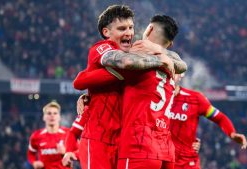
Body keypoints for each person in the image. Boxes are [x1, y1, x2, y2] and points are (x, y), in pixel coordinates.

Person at [63, 5, 187, 169]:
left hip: (122, 141)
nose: (129, 32)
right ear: (107, 32)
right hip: (99, 139)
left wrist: (159, 51)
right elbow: (81, 81)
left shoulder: (136, 54)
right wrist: (162, 59)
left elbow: (181, 64)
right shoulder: (102, 48)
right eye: (122, 28)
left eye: (131, 27)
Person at [169, 74, 247, 169]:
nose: (169, 75)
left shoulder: (195, 98)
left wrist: (232, 134)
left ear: (180, 75)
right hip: (160, 160)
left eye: (173, 71)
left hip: (186, 163)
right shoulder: (153, 97)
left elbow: (219, 117)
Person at [27, 101, 71, 169]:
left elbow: (79, 152)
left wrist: (66, 152)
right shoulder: (36, 135)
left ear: (59, 117)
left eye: (55, 113)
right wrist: (34, 162)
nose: (52, 116)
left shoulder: (68, 133)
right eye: (49, 113)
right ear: (44, 117)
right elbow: (31, 153)